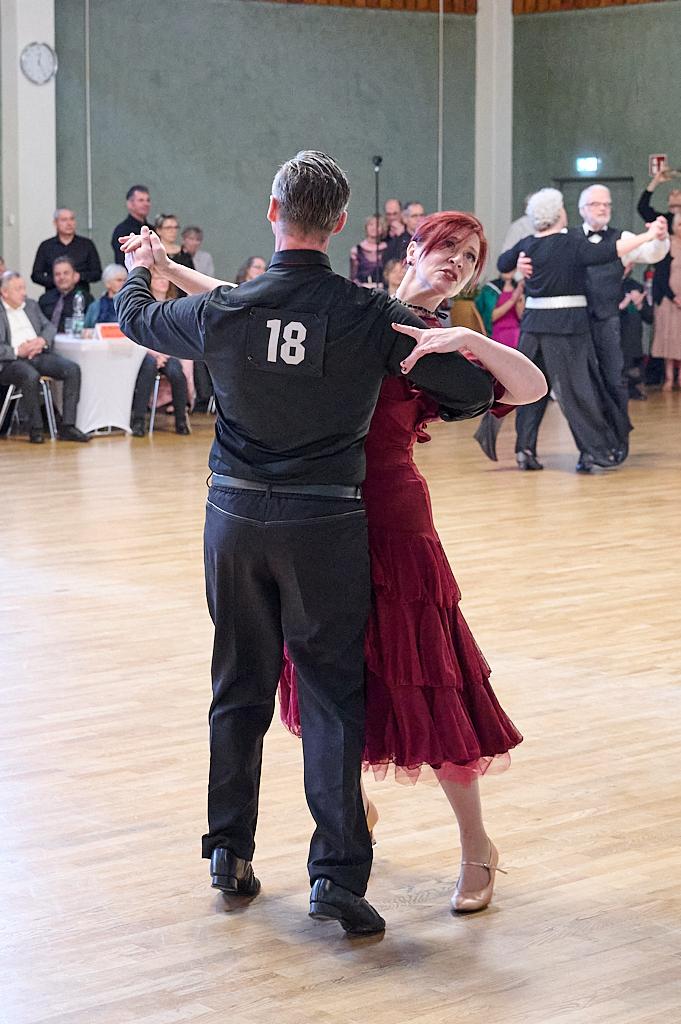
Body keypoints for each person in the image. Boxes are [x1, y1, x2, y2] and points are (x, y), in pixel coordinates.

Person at [116, 150, 496, 936]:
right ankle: (336, 880)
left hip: (235, 522)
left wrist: (140, 270)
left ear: (271, 212)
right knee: (330, 695)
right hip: (325, 525)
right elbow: (467, 391)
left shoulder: (231, 307)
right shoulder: (367, 314)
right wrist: (442, 350)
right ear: (342, 225)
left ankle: (229, 851)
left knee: (239, 685)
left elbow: (137, 321)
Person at [277, 211, 546, 915]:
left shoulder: (443, 349)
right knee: (336, 676)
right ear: (412, 248)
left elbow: (529, 389)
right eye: (446, 248)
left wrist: (469, 338)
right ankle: (353, 808)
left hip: (395, 519)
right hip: (324, 515)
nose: (456, 261)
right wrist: (167, 271)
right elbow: (250, 301)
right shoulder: (357, 311)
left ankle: (477, 846)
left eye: (470, 257)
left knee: (430, 677)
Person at [498, 188, 667, 473]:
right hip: (567, 327)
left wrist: (520, 260)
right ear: (560, 213)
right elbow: (607, 252)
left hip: (533, 326)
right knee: (578, 391)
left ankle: (525, 449)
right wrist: (649, 235)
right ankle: (592, 451)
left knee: (530, 390)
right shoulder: (570, 243)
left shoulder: (528, 242)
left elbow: (503, 263)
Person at [575, 184, 668, 457]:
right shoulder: (569, 238)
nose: (603, 208)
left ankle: (619, 441)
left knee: (614, 381)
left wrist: (660, 237)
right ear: (582, 209)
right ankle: (589, 448)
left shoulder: (622, 237)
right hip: (577, 324)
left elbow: (652, 253)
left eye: (607, 204)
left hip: (608, 321)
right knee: (584, 386)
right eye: (596, 204)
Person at [0, 271, 90, 443]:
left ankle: (68, 426)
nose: (24, 292)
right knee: (30, 376)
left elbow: (49, 327)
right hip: (11, 361)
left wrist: (41, 340)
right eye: (18, 289)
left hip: (38, 354)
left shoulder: (31, 305)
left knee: (72, 369)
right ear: (4, 292)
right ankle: (36, 428)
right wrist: (18, 351)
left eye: (23, 288)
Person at [129, 269, 191, 437]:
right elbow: (137, 335)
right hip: (144, 352)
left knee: (177, 372)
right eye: (158, 277)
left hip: (167, 352)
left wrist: (164, 354)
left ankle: (181, 421)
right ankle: (139, 421)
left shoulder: (173, 305)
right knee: (148, 369)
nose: (163, 281)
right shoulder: (141, 303)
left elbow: (177, 335)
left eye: (165, 278)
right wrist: (155, 354)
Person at [472, 272, 524, 461]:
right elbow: (491, 317)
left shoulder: (521, 285)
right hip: (500, 337)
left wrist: (520, 298)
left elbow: (521, 316)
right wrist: (513, 299)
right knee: (512, 390)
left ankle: (489, 432)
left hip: (521, 335)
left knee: (519, 391)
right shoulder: (490, 289)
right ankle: (488, 430)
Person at [31, 208, 102, 292]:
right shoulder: (46, 246)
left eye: (72, 219)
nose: (69, 223)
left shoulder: (87, 244)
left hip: (80, 294)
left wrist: (80, 276)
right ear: (55, 223)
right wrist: (56, 280)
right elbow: (36, 275)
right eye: (64, 220)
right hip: (53, 297)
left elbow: (97, 273)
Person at [648, 212, 681, 390]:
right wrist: (674, 296)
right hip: (669, 299)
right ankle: (669, 378)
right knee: (669, 338)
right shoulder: (667, 244)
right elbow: (660, 275)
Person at [619, 269, 653, 401]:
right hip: (615, 335)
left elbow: (649, 317)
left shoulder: (636, 286)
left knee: (634, 366)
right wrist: (624, 304)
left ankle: (634, 388)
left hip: (633, 338)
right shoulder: (609, 285)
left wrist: (639, 304)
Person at [38, 256, 93, 332]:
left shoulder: (85, 299)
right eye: (57, 274)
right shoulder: (44, 299)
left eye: (66, 273)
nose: (62, 277)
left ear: (75, 276)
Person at [111, 185, 152, 265]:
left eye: (148, 200)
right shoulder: (122, 230)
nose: (146, 204)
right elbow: (123, 260)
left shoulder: (152, 229)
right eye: (141, 200)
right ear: (130, 204)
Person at [83, 264, 128, 330]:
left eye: (125, 280)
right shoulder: (95, 306)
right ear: (108, 283)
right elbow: (86, 329)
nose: (123, 283)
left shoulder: (132, 304)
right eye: (119, 280)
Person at [349, 215, 387, 286]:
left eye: (378, 225)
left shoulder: (388, 248)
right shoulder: (356, 250)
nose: (374, 228)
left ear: (383, 229)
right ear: (366, 227)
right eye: (371, 224)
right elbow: (353, 278)